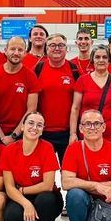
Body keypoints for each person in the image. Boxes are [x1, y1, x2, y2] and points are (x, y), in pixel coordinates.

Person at [1, 112, 64, 221]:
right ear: (22, 126)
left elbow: (47, 185)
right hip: (20, 197)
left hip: (46, 197)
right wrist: (26, 203)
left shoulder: (47, 147)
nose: (34, 127)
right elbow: (9, 187)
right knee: (11, 214)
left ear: (42, 130)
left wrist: (22, 190)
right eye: (30, 123)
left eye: (39, 125)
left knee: (45, 200)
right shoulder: (9, 150)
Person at [69, 45, 111, 144]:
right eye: (97, 57)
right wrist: (73, 133)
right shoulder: (82, 81)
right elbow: (75, 109)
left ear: (109, 60)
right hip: (88, 134)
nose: (101, 60)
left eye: (105, 57)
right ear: (92, 60)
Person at [35, 33, 79, 162]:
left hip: (68, 133)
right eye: (52, 45)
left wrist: (74, 133)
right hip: (42, 132)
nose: (57, 48)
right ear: (46, 49)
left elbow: (78, 104)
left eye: (61, 45)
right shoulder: (38, 69)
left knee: (68, 173)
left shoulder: (74, 70)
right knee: (42, 173)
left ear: (66, 49)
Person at [0, 36, 40, 143]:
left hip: (21, 133)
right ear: (5, 51)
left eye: (20, 50)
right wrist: (0, 135)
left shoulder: (30, 76)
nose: (16, 53)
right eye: (12, 49)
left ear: (25, 53)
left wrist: (14, 135)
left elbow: (31, 110)